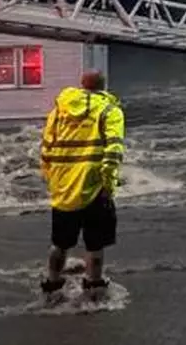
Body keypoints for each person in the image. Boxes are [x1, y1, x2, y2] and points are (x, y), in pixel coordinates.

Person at [39, 71, 125, 299]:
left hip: (63, 188)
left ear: (81, 85)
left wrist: (53, 179)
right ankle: (94, 284)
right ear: (104, 87)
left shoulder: (58, 111)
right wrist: (109, 185)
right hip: (94, 187)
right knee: (95, 244)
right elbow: (113, 152)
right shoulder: (110, 111)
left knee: (60, 243)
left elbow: (46, 148)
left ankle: (52, 283)